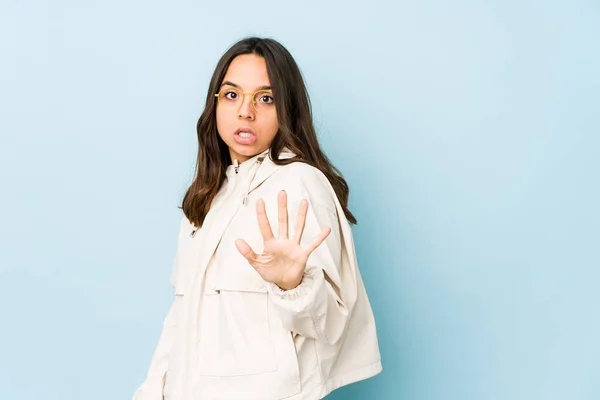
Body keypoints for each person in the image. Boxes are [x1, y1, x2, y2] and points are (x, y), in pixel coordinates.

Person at [132, 37, 381, 400]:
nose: (245, 112)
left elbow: (331, 325)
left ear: (287, 109)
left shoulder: (300, 183)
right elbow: (182, 316)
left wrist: (292, 284)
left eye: (266, 98)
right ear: (215, 103)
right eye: (232, 95)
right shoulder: (207, 195)